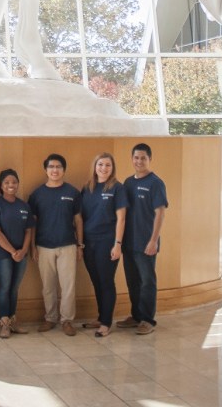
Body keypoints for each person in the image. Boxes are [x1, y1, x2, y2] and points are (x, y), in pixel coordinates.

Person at [29, 153, 83, 336]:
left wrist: (80, 245)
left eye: (58, 167)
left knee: (68, 285)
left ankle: (67, 320)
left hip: (68, 245)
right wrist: (32, 247)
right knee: (48, 286)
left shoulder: (72, 193)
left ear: (63, 170)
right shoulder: (36, 195)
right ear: (46, 170)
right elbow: (32, 223)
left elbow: (78, 220)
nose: (54, 170)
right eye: (51, 167)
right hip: (43, 246)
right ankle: (50, 318)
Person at [117, 143, 168, 336]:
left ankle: (148, 319)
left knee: (147, 281)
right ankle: (136, 316)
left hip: (147, 243)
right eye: (136, 158)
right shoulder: (128, 182)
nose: (139, 161)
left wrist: (153, 240)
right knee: (132, 281)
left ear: (149, 159)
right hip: (129, 242)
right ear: (132, 159)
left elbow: (160, 214)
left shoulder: (156, 183)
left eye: (143, 158)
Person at [80, 152, 127, 338]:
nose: (104, 168)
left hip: (107, 242)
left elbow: (121, 218)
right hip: (89, 242)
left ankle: (106, 323)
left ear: (112, 168)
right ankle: (101, 316)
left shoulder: (117, 188)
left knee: (106, 282)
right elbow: (81, 217)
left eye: (108, 165)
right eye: (100, 164)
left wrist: (117, 244)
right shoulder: (87, 188)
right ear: (95, 166)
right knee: (96, 281)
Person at [0, 168, 34, 339]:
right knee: (4, 287)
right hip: (3, 254)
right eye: (7, 182)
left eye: (14, 182)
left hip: (21, 254)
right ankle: (4, 323)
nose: (11, 185)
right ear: (1, 186)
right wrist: (13, 251)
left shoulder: (24, 205)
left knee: (14, 288)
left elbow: (29, 230)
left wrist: (24, 250)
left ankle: (12, 321)